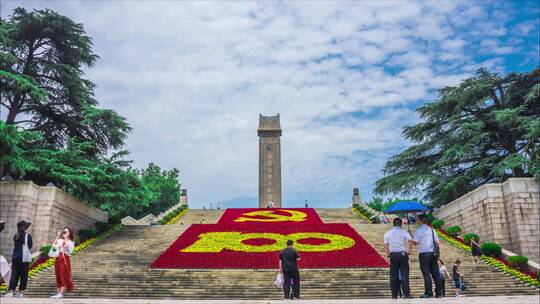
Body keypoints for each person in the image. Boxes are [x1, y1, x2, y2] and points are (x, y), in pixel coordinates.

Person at [412, 214, 442, 298]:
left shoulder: (419, 230)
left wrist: (411, 235)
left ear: (421, 220)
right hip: (433, 254)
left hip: (424, 254)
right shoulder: (432, 230)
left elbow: (415, 243)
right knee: (435, 273)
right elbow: (437, 242)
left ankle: (429, 292)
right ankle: (439, 293)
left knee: (426, 274)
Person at [383, 217, 413, 299]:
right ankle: (406, 294)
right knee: (404, 275)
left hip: (393, 255)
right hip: (403, 254)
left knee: (393, 275)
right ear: (401, 224)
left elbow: (385, 245)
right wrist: (409, 251)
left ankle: (394, 295)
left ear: (393, 224)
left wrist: (388, 254)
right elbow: (410, 241)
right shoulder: (404, 232)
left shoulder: (387, 233)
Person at [5, 220, 32, 298]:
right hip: (24, 258)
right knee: (24, 275)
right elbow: (29, 246)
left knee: (14, 274)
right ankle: (21, 292)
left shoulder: (15, 236)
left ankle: (11, 291)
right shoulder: (28, 235)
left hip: (15, 257)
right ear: (25, 227)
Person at [50, 227, 75, 299]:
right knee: (58, 274)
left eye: (66, 232)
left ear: (69, 233)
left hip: (65, 259)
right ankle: (58, 292)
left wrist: (66, 238)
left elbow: (69, 250)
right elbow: (54, 245)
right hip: (58, 258)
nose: (65, 233)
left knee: (63, 274)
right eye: (64, 232)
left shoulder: (71, 242)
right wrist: (58, 235)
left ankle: (61, 292)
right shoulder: (60, 240)